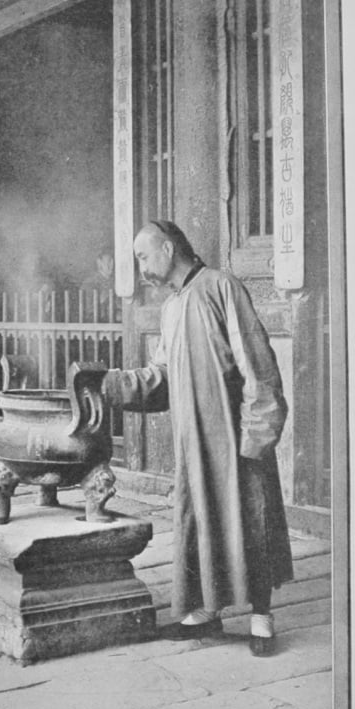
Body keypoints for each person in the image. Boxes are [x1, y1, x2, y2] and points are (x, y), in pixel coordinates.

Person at [102, 222, 293, 656]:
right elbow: (162, 378)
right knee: (199, 520)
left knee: (250, 515)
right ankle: (207, 611)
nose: (141, 266)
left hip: (233, 431)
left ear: (169, 249)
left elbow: (257, 364)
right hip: (193, 436)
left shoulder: (220, 286)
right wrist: (112, 385)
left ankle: (262, 617)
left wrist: (257, 434)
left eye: (143, 256)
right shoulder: (172, 307)